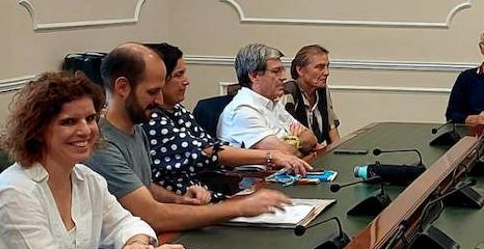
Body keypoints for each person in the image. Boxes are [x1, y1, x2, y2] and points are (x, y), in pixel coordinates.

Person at [0, 72, 195, 249]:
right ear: (38, 129)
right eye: (69, 122)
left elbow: (128, 224)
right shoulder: (13, 191)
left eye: (90, 118)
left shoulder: (88, 180)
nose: (86, 130)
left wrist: (136, 245)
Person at [87, 43, 294, 231]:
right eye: (152, 92)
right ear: (122, 87)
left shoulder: (136, 127)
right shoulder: (102, 145)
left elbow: (144, 186)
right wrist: (239, 207)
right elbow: (152, 216)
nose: (159, 100)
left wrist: (179, 200)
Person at [142, 43, 311, 198]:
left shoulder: (177, 110)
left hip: (206, 195)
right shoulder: (151, 118)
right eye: (179, 75)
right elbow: (205, 151)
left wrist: (289, 145)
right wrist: (273, 155)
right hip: (189, 201)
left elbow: (310, 139)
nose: (187, 81)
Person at [217, 43, 317, 155]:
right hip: (262, 172)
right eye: (276, 71)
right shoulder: (243, 111)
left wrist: (294, 141)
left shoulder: (272, 103)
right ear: (254, 76)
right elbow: (285, 154)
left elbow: (311, 138)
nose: (283, 77)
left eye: (282, 70)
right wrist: (296, 144)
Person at [284, 44, 341, 147]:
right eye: (319, 67)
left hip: (318, 154)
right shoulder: (289, 93)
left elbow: (332, 130)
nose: (326, 73)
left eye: (327, 66)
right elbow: (290, 139)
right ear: (300, 70)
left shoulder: (322, 91)